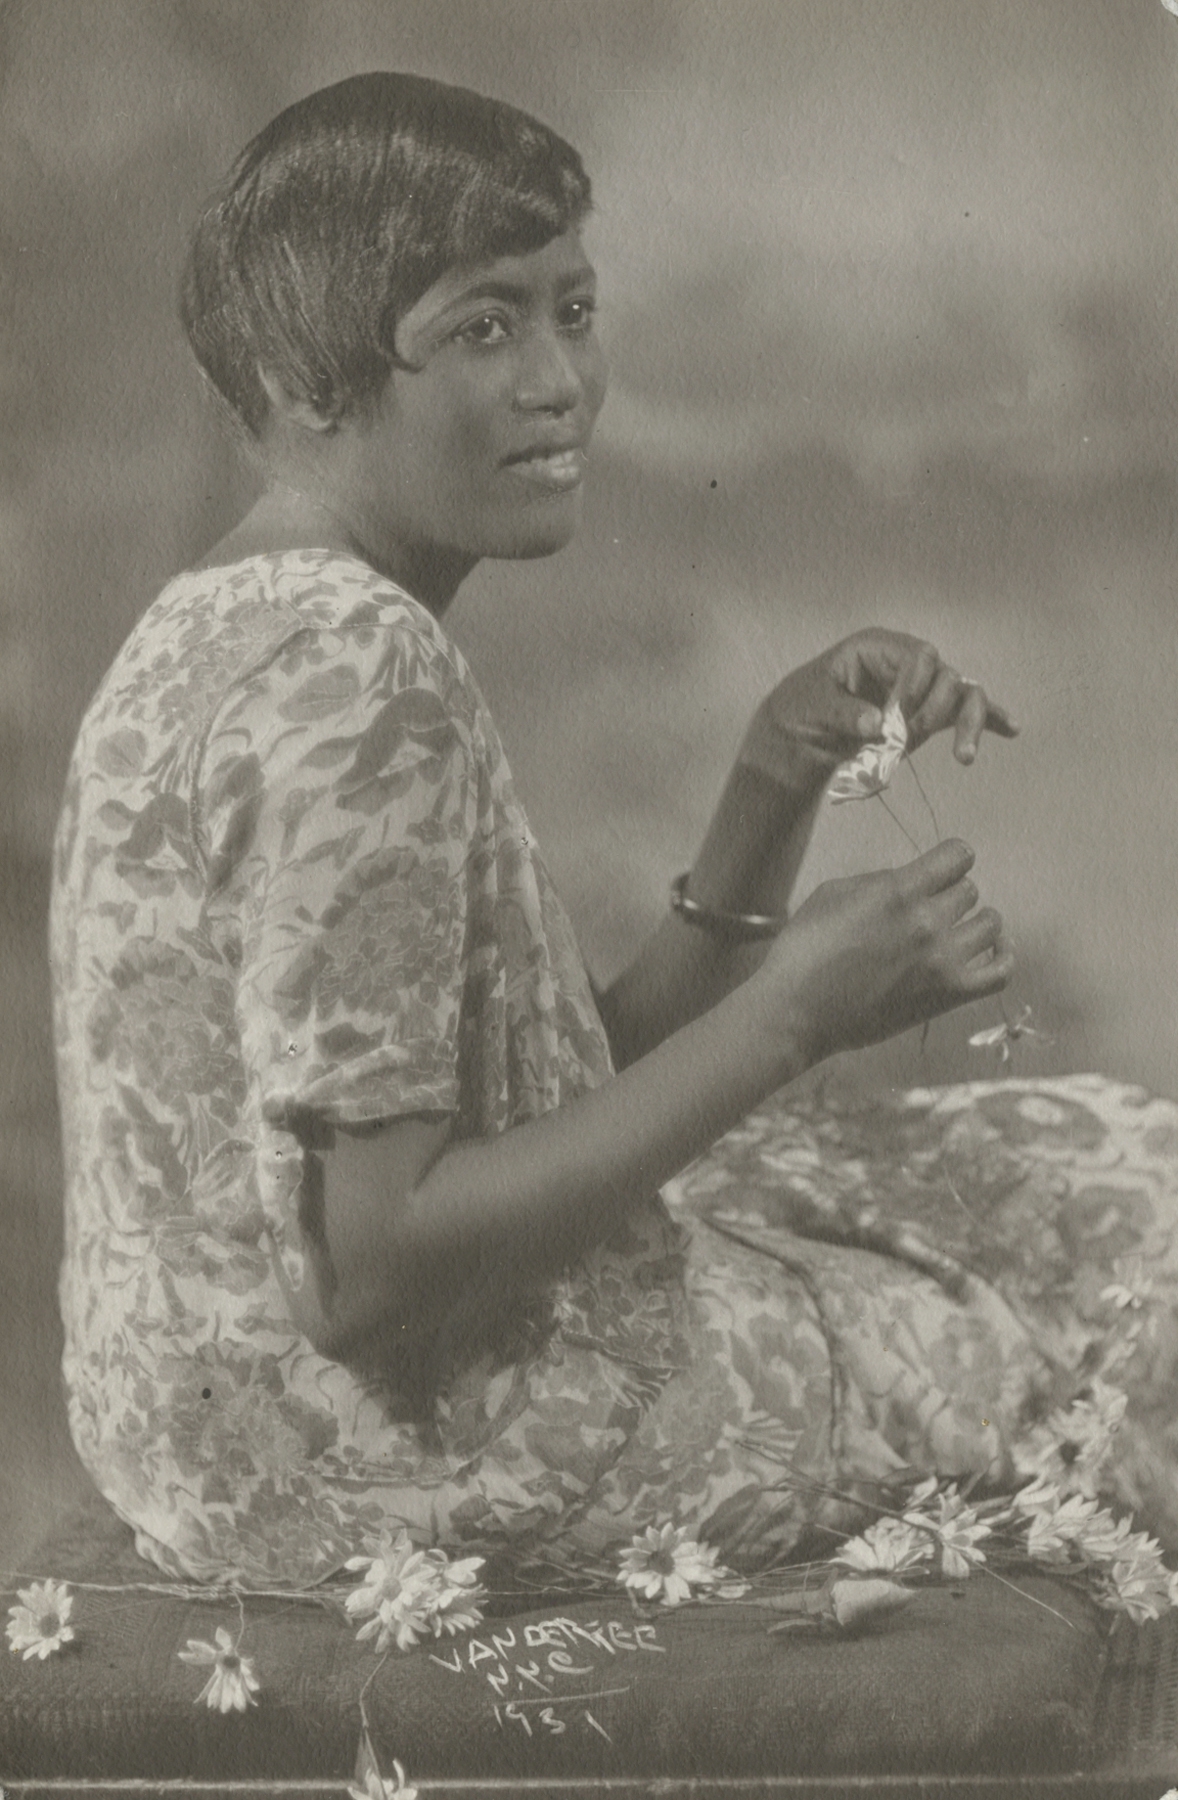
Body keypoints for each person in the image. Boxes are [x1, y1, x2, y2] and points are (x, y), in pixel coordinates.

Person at [47, 72, 1170, 1592]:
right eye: (482, 329)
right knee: (1121, 1257)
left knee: (1064, 1167)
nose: (560, 382)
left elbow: (518, 1115)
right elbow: (367, 1276)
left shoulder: (228, 622)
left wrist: (767, 784)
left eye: (572, 312)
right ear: (307, 381)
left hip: (218, 1435)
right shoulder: (354, 673)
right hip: (397, 1456)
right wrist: (794, 1017)